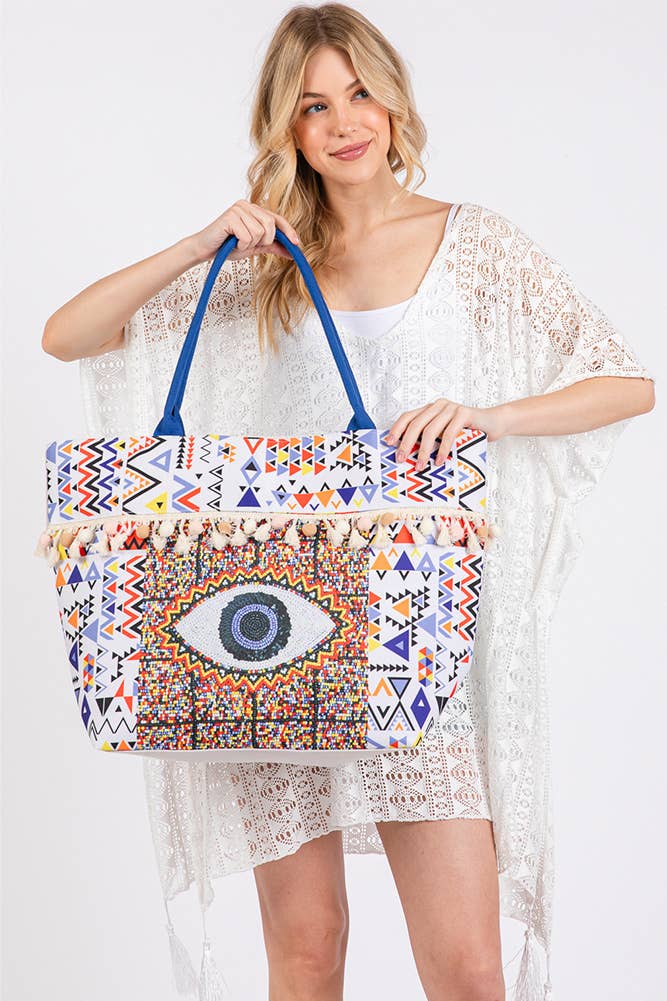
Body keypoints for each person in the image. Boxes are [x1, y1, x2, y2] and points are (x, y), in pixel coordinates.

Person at [42, 4, 656, 1000]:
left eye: (359, 92)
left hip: (411, 642)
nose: (343, 122)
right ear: (286, 126)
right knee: (307, 949)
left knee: (465, 969)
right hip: (269, 644)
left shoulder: (473, 243)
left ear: (393, 98)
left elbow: (625, 381)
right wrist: (200, 244)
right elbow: (67, 336)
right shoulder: (267, 264)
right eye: (313, 104)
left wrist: (487, 415)